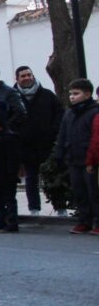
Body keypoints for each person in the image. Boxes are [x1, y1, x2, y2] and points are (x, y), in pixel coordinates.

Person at [14, 66, 63, 214]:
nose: (27, 78)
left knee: (54, 178)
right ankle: (34, 208)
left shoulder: (47, 95)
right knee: (31, 179)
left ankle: (60, 208)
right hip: (26, 146)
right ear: (17, 79)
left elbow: (59, 115)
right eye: (23, 76)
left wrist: (53, 132)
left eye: (29, 74)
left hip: (47, 144)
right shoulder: (13, 97)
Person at [55, 79, 99, 235]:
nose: (72, 97)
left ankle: (97, 221)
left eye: (76, 94)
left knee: (94, 192)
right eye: (70, 94)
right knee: (79, 192)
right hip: (73, 158)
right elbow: (63, 134)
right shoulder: (70, 112)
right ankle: (84, 221)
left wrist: (92, 159)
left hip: (89, 159)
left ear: (87, 94)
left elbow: (95, 138)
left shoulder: (94, 111)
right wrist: (59, 154)